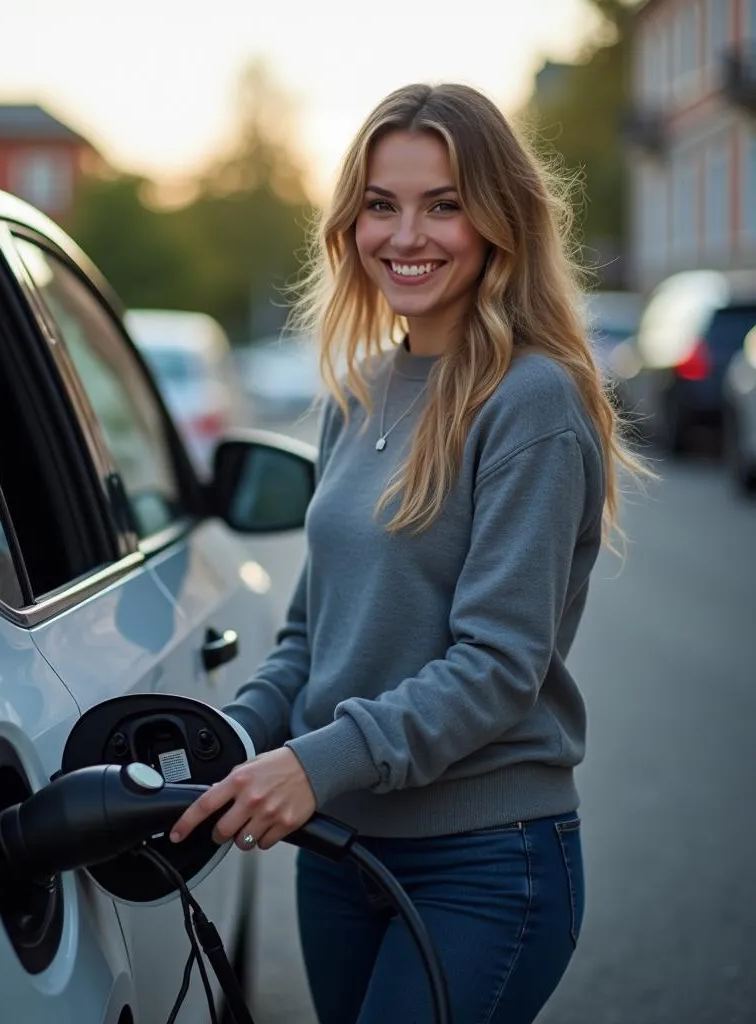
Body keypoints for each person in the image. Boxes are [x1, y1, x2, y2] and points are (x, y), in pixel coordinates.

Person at [169, 82, 648, 1024]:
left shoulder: (532, 402)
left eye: (444, 204)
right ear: (351, 223)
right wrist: (230, 742)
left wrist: (315, 762)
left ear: (500, 220)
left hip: (483, 860)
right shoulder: (361, 392)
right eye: (381, 206)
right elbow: (313, 631)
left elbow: (499, 665)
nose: (406, 236)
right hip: (342, 848)